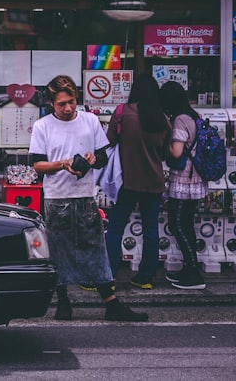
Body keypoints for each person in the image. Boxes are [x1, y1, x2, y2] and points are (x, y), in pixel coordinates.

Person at [29, 74, 148, 322]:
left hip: (85, 194)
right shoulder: (43, 126)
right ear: (52, 103)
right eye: (61, 103)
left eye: (71, 101)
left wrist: (94, 159)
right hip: (56, 197)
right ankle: (63, 302)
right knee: (58, 251)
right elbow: (37, 165)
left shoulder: (90, 121)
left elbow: (104, 155)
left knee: (96, 248)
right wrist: (64, 164)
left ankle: (111, 303)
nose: (68, 107)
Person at [105, 74, 170, 290]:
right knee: (151, 229)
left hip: (126, 181)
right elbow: (164, 153)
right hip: (153, 182)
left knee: (115, 228)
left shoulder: (123, 113)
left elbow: (110, 141)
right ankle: (145, 277)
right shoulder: (162, 118)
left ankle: (109, 278)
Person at [159, 81, 207, 290]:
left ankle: (194, 273)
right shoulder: (194, 116)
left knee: (178, 224)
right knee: (187, 224)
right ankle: (190, 269)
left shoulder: (180, 120)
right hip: (195, 178)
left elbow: (176, 152)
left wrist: (163, 140)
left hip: (184, 179)